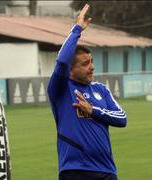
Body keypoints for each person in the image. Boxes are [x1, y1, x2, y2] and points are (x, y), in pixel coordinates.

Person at [47, 4, 127, 180]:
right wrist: (77, 29)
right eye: (85, 64)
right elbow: (61, 62)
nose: (92, 67)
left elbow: (122, 119)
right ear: (70, 69)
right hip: (75, 170)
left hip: (106, 170)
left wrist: (93, 110)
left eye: (91, 61)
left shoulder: (101, 89)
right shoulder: (61, 89)